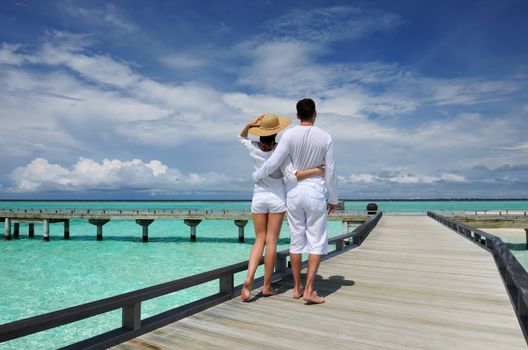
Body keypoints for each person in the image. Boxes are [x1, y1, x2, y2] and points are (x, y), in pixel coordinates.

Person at [252, 99, 337, 304]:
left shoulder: (289, 134)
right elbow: (331, 170)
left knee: (296, 240)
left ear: (297, 115)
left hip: (293, 194)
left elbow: (273, 162)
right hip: (315, 192)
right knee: (316, 241)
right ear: (315, 114)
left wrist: (257, 176)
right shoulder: (325, 137)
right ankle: (309, 289)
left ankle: (297, 287)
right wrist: (333, 198)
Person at [239, 114, 325, 302]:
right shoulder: (281, 152)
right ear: (276, 133)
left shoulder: (253, 148)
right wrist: (317, 170)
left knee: (258, 240)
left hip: (258, 197)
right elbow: (292, 176)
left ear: (260, 133)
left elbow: (241, 137)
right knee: (271, 242)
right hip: (277, 199)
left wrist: (249, 124)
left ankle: (249, 278)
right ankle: (267, 286)